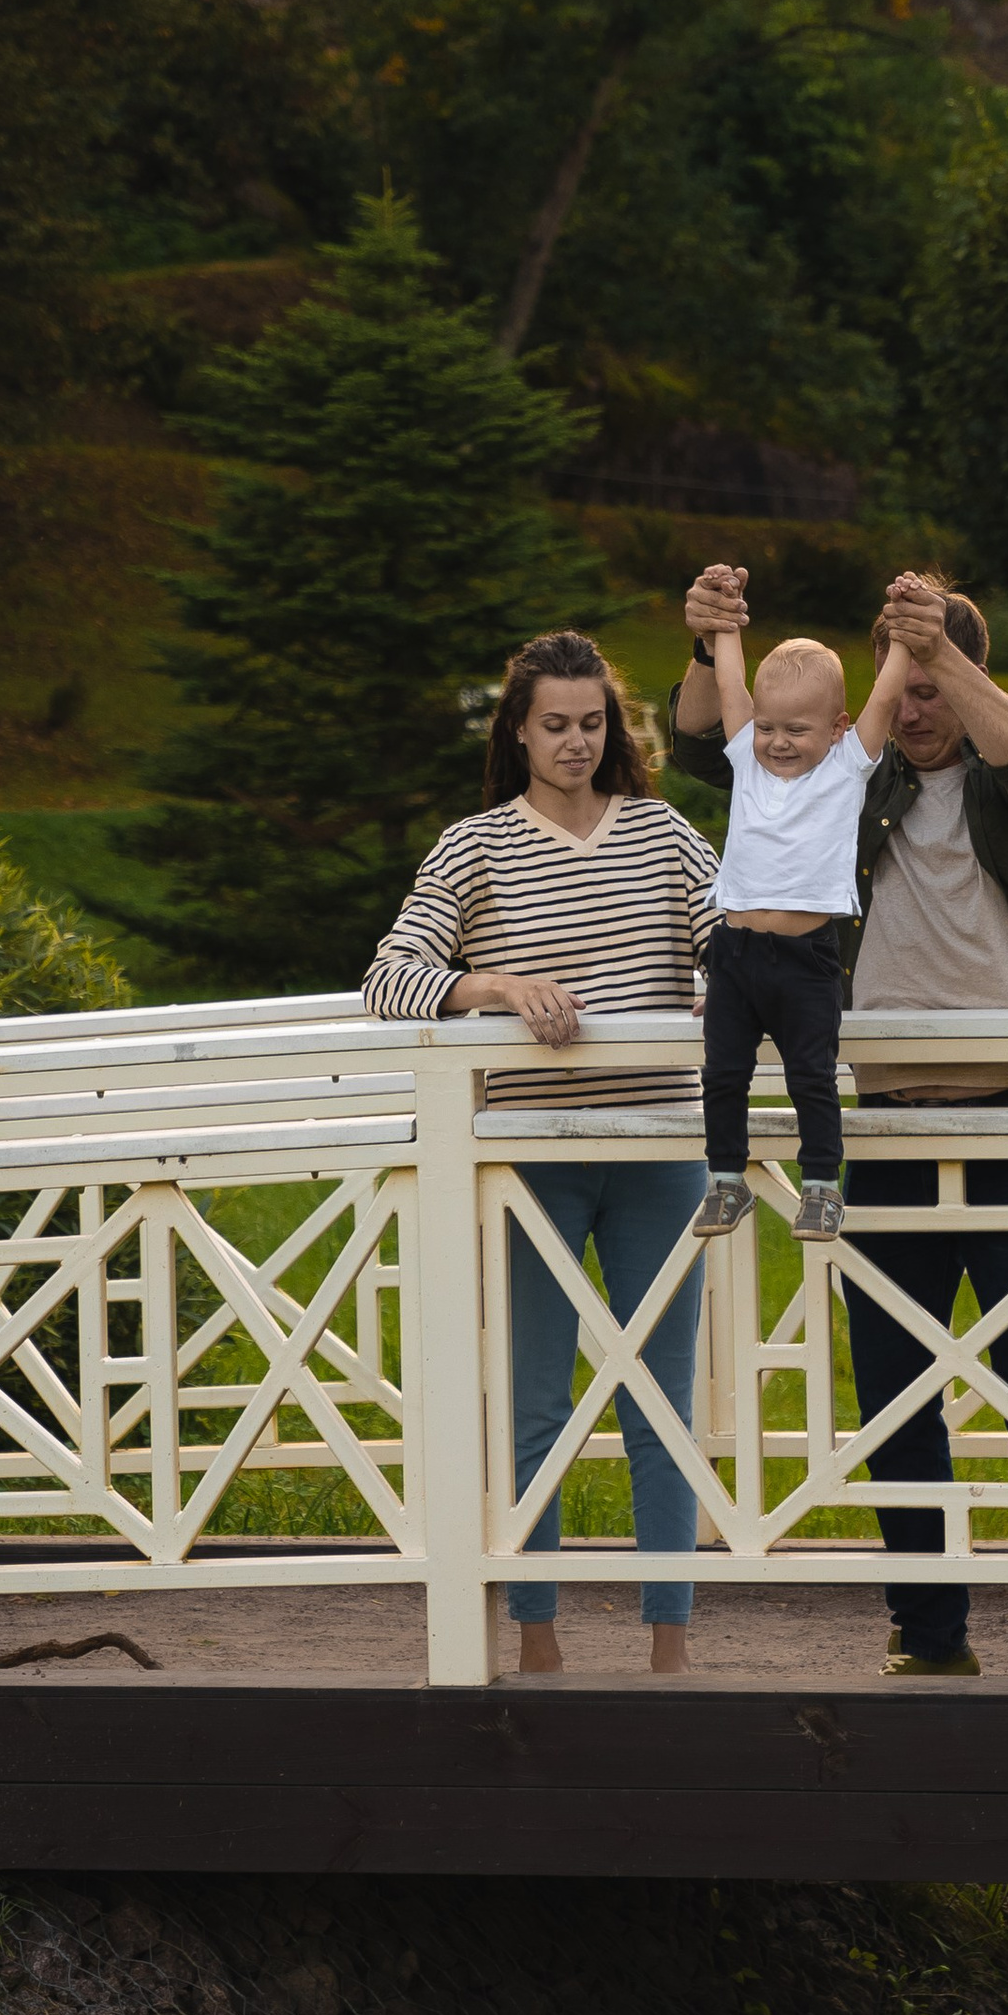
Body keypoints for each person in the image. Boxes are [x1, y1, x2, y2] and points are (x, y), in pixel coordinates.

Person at [670, 569, 1008, 1682]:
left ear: (966, 674)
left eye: (933, 678)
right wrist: (711, 639)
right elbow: (711, 751)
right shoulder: (848, 784)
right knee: (897, 1385)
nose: (914, 704)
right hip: (888, 1120)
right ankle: (929, 1627)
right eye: (899, 677)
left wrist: (945, 647)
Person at [367, 631, 715, 1678]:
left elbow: (730, 935)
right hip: (529, 1164)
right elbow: (391, 978)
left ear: (614, 729)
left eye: (592, 724)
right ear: (517, 729)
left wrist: (724, 979)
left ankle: (668, 1645)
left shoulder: (661, 833)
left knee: (660, 1396)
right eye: (554, 725)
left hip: (660, 1151)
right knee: (534, 1397)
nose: (575, 742)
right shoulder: (475, 847)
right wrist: (494, 987)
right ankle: (537, 1637)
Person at [690, 589, 910, 1244]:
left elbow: (886, 701)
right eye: (767, 727)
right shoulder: (746, 759)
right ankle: (726, 1180)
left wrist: (900, 637)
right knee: (722, 1073)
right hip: (733, 956)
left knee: (810, 1074)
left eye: (796, 730)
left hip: (807, 956)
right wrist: (726, 626)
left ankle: (820, 1186)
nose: (777, 743)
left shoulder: (846, 770)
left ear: (839, 728)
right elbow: (732, 688)